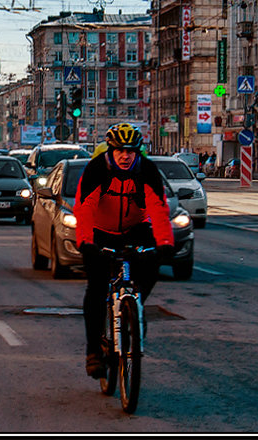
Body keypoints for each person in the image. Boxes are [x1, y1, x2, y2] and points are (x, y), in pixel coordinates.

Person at [73, 122, 175, 380]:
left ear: (137, 151)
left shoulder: (147, 170)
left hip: (135, 228)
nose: (125, 156)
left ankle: (134, 310)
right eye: (120, 150)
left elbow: (158, 209)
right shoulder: (97, 170)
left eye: (131, 151)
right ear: (111, 149)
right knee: (96, 289)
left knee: (151, 265)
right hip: (100, 231)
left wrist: (164, 243)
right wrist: (85, 242)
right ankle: (94, 350)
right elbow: (84, 209)